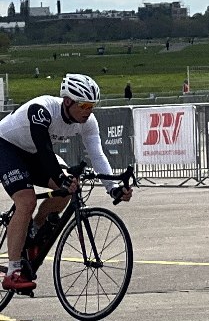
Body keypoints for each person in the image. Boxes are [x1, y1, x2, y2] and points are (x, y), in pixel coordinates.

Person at [0, 74, 133, 291]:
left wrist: (113, 188)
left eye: (92, 106)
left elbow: (97, 155)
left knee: (70, 188)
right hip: (6, 147)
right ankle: (13, 271)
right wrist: (61, 178)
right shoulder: (42, 110)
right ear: (68, 101)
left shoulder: (88, 122)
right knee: (26, 201)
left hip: (33, 153)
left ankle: (35, 230)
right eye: (84, 105)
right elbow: (45, 150)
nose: (88, 111)